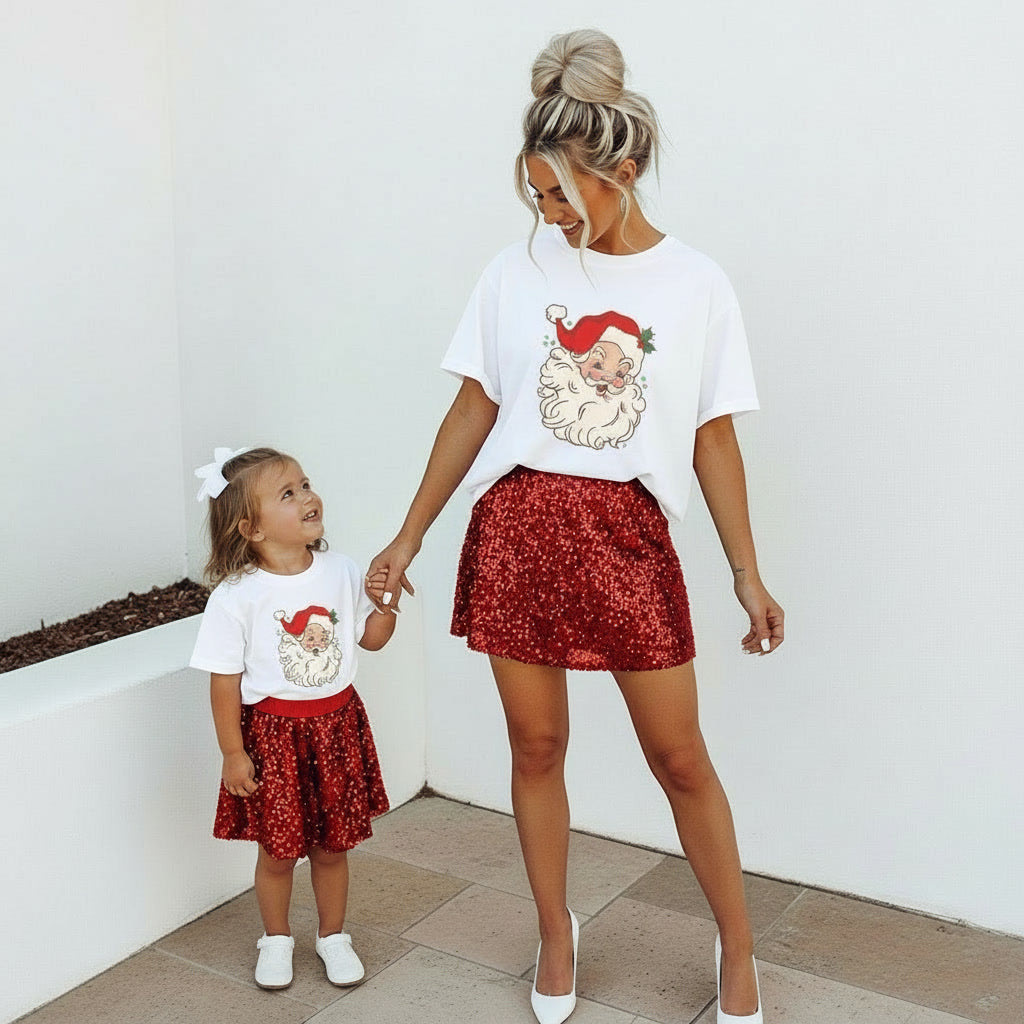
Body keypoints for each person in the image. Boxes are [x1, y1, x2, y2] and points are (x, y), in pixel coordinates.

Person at [369, 28, 783, 1024]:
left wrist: (744, 570)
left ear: (622, 171)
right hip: (516, 527)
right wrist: (407, 533)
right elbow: (473, 407)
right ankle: (556, 930)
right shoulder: (515, 274)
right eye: (534, 195)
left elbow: (713, 439)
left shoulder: (694, 285)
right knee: (535, 743)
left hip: (628, 539)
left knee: (678, 755)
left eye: (560, 192)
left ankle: (737, 945)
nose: (547, 215)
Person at [190, 446, 398, 991]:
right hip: (274, 738)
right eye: (288, 493)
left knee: (332, 847)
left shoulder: (341, 570)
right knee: (278, 852)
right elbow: (223, 680)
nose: (308, 496)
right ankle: (276, 938)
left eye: (306, 484)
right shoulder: (237, 598)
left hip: (335, 727)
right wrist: (233, 753)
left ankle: (333, 936)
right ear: (250, 527)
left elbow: (371, 641)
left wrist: (384, 604)